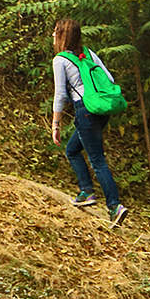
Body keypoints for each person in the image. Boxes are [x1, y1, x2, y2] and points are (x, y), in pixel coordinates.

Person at [50, 17, 127, 227]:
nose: (52, 35)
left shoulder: (60, 60)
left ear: (62, 35)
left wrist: (55, 124)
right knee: (73, 149)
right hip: (101, 110)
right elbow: (109, 79)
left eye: (55, 31)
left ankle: (114, 206)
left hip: (85, 111)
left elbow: (60, 95)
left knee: (97, 160)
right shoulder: (89, 53)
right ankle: (86, 191)